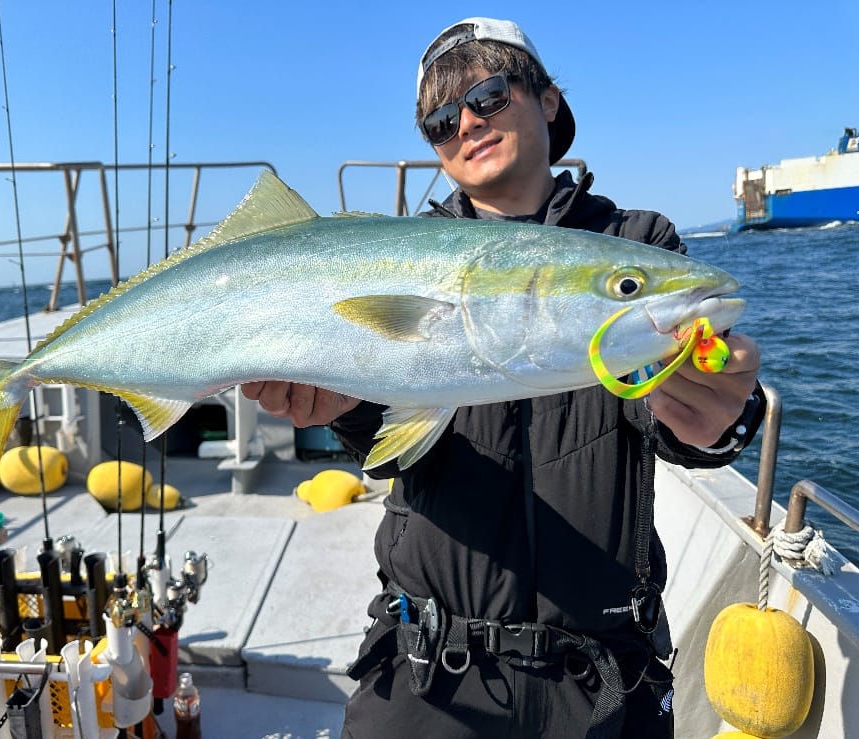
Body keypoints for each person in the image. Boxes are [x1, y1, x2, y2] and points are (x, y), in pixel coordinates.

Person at [243, 17, 764, 739]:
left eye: (487, 95)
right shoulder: (400, 257)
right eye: (438, 119)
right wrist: (349, 406)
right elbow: (394, 452)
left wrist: (721, 416)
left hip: (603, 677)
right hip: (428, 671)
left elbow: (680, 423)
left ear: (547, 99)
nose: (465, 123)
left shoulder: (634, 246)